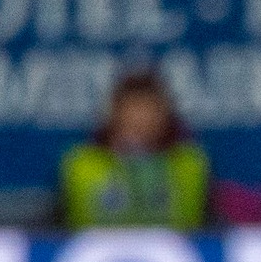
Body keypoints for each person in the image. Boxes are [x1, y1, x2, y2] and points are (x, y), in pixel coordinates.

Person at [60, 71, 210, 229]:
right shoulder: (80, 164)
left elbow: (212, 229)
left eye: (149, 110)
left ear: (165, 115)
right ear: (113, 114)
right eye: (132, 109)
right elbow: (53, 230)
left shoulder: (190, 164)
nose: (140, 120)